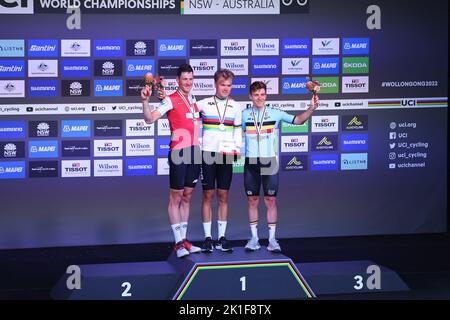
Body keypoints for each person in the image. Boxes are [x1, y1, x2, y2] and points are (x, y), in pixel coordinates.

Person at [242, 81, 319, 252]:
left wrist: (311, 108)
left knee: (270, 200)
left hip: (270, 161)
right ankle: (254, 238)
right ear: (250, 96)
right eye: (256, 95)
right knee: (252, 200)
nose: (259, 98)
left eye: (262, 94)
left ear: (266, 95)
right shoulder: (244, 115)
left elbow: (298, 120)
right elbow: (232, 133)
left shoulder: (275, 113)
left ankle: (272, 240)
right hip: (251, 163)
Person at [141, 64, 202, 258]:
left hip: (194, 153)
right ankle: (177, 243)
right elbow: (150, 119)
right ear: (178, 80)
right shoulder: (169, 100)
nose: (188, 83)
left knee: (187, 197)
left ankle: (184, 240)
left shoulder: (193, 99)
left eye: (191, 79)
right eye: (185, 79)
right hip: (178, 153)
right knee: (175, 198)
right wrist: (144, 101)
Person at [196, 69, 243, 253]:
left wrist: (237, 149)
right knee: (207, 195)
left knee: (223, 196)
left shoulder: (236, 107)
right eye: (223, 84)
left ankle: (221, 237)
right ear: (215, 84)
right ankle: (208, 238)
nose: (226, 88)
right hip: (208, 154)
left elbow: (238, 130)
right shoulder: (204, 104)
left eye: (229, 85)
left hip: (226, 154)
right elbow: (183, 109)